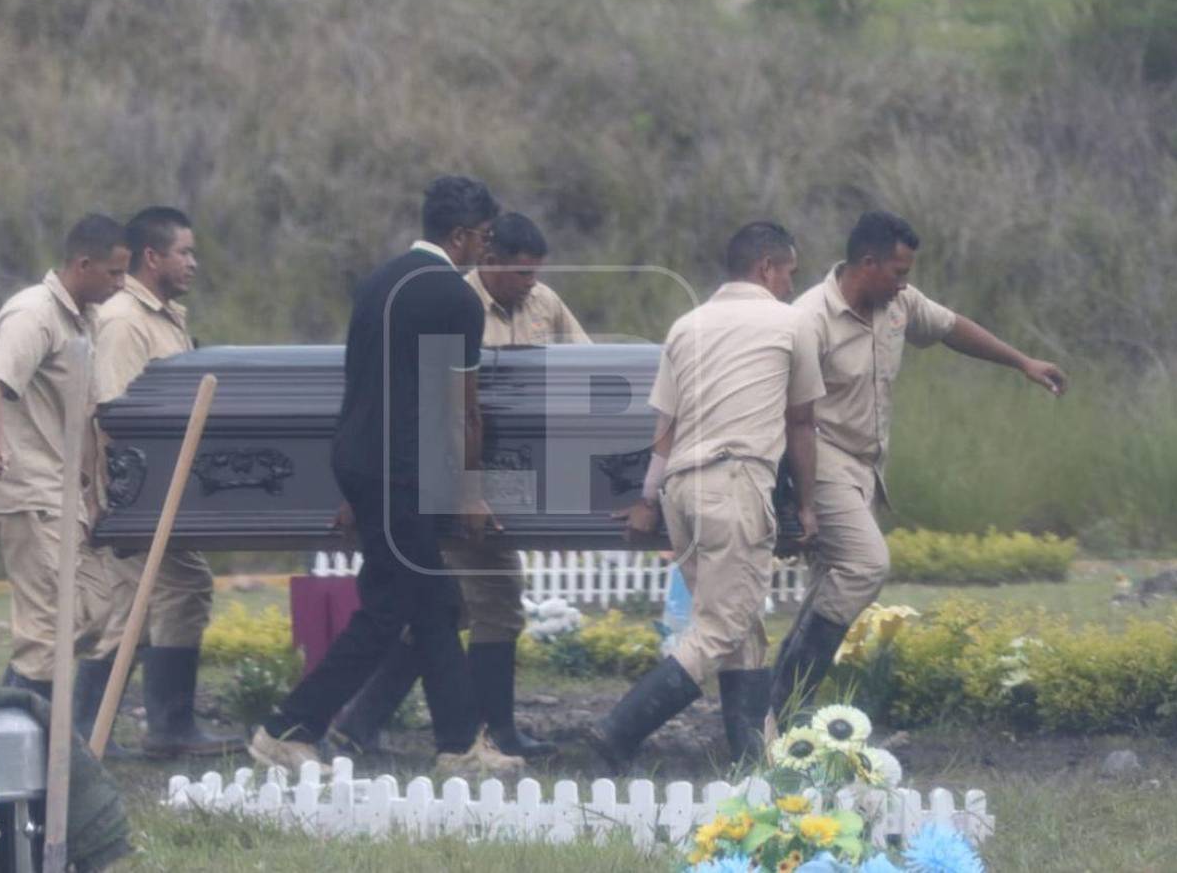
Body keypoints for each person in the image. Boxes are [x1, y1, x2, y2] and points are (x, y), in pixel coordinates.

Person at [249, 176, 523, 776]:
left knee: (433, 603)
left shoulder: (377, 283)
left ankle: (458, 745)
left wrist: (355, 494)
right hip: (403, 470)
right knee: (394, 605)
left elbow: (363, 384)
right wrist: (472, 494)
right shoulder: (455, 298)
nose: (485, 249)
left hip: (360, 460)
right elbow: (462, 406)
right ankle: (287, 728)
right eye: (481, 238)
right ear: (458, 235)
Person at [766, 210, 1069, 728]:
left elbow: (951, 328)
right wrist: (796, 500)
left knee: (829, 586)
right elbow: (785, 413)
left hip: (867, 466)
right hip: (820, 456)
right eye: (898, 272)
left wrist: (1023, 362)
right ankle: (786, 706)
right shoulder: (809, 318)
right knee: (866, 565)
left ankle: (772, 713)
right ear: (867, 263)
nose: (906, 283)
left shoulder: (898, 304)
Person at [332, 211, 589, 759]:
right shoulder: (450, 301)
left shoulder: (544, 303)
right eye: (521, 274)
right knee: (458, 603)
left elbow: (583, 363)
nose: (532, 285)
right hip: (448, 476)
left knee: (456, 604)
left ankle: (367, 725)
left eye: (536, 274)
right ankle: (477, 733)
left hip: (515, 474)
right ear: (488, 261)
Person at [587, 221, 825, 770]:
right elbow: (802, 423)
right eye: (789, 272)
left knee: (738, 622)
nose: (792, 284)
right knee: (722, 626)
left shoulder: (685, 325)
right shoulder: (792, 324)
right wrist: (807, 505)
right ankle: (618, 730)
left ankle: (750, 757)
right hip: (735, 485)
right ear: (767, 267)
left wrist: (647, 500)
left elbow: (664, 429)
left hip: (681, 494)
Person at [76, 206, 245, 758]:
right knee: (133, 610)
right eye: (184, 252)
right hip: (138, 495)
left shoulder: (166, 316)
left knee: (163, 599)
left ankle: (156, 728)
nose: (194, 263)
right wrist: (112, 500)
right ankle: (96, 735)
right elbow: (113, 412)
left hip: (163, 493)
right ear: (153, 257)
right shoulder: (126, 320)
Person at [0, 214, 129, 698]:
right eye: (114, 274)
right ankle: (16, 753)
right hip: (29, 490)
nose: (122, 285)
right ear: (83, 264)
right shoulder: (33, 313)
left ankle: (3, 726)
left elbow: (86, 411)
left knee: (91, 613)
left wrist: (94, 487)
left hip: (67, 493)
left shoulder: (87, 319)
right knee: (47, 632)